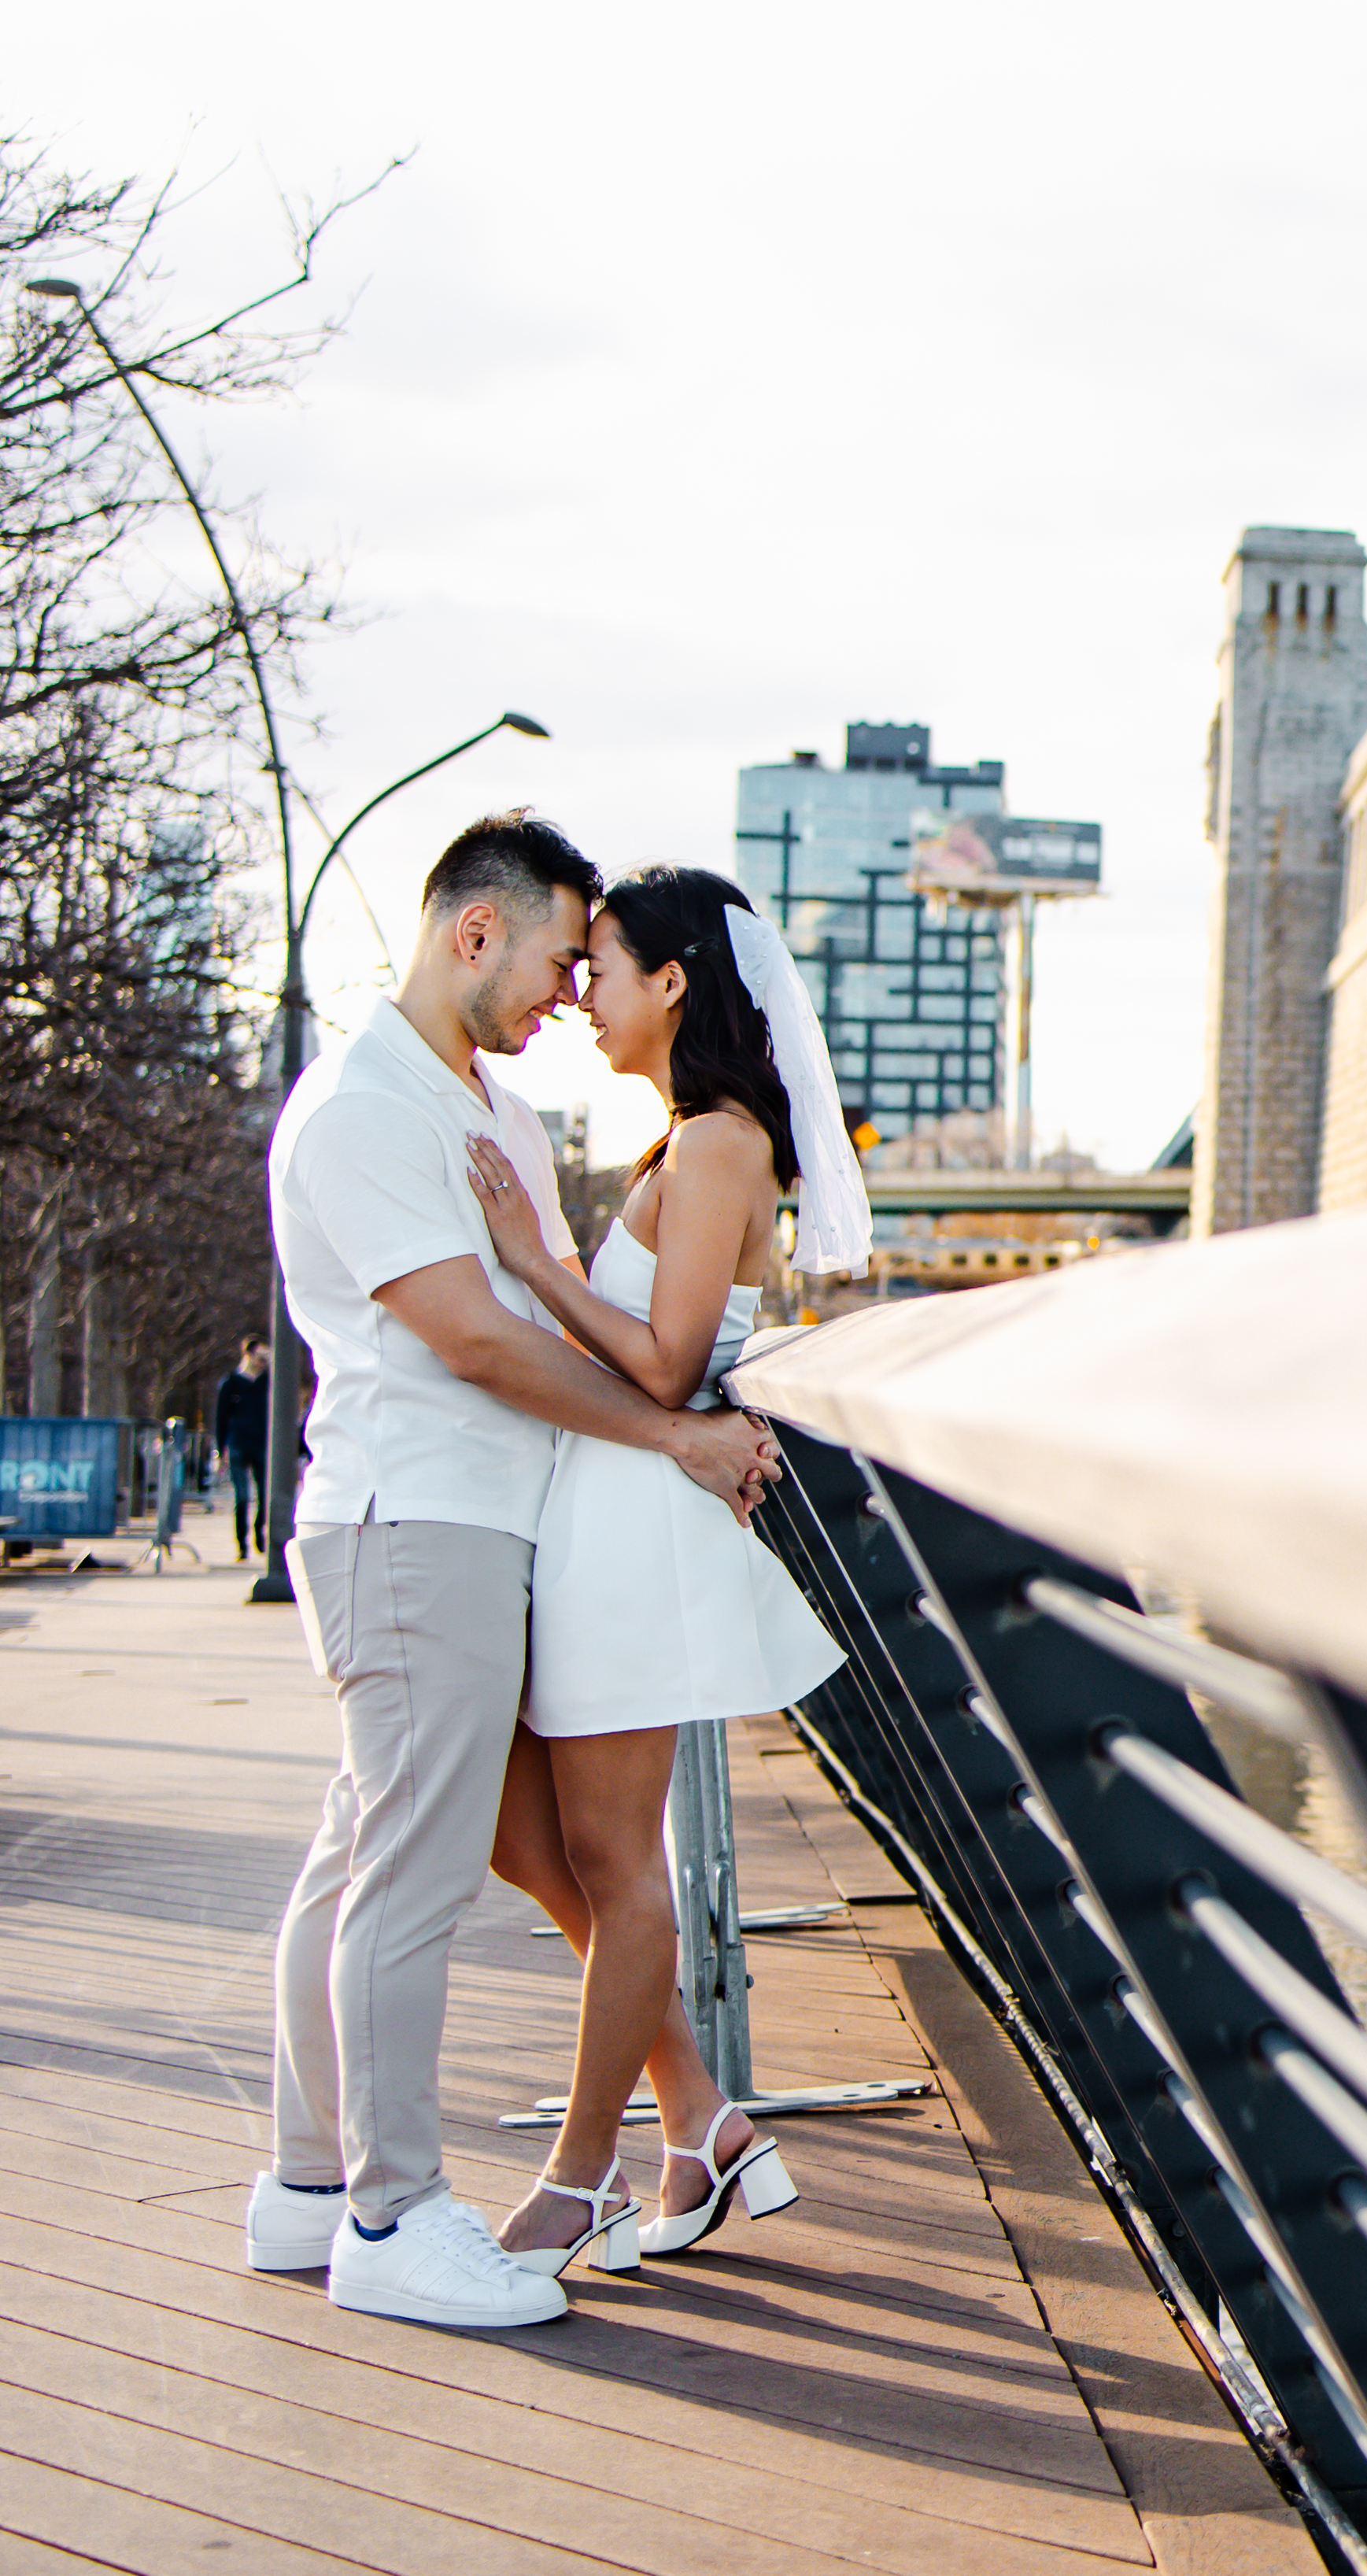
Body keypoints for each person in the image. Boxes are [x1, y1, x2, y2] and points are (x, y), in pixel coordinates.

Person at [251, 814, 780, 2330]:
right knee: (404, 1881)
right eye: (560, 953)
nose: (568, 987)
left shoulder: (467, 1105)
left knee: (359, 1860)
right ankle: (392, 2214)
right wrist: (676, 1442)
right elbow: (479, 1342)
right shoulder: (364, 1110)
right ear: (472, 934)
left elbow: (541, 1322)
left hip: (471, 1527)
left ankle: (304, 2189)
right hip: (417, 1529)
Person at [460, 864, 868, 2279]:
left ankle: (583, 2177)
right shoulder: (680, 1146)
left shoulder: (720, 1143)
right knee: (529, 1839)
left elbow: (668, 1362)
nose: (582, 994)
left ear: (674, 983)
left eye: (605, 967)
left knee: (615, 1864)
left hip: (641, 1519)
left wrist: (533, 1255)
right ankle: (699, 2115)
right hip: (603, 1505)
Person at [210, 1335, 270, 1557]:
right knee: (242, 1496)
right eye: (260, 1356)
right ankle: (242, 1544)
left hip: (262, 1444)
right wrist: (220, 1450)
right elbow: (221, 1418)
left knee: (266, 1495)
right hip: (237, 1444)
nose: (263, 1361)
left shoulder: (267, 1383)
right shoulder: (231, 1383)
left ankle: (260, 1531)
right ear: (248, 1355)